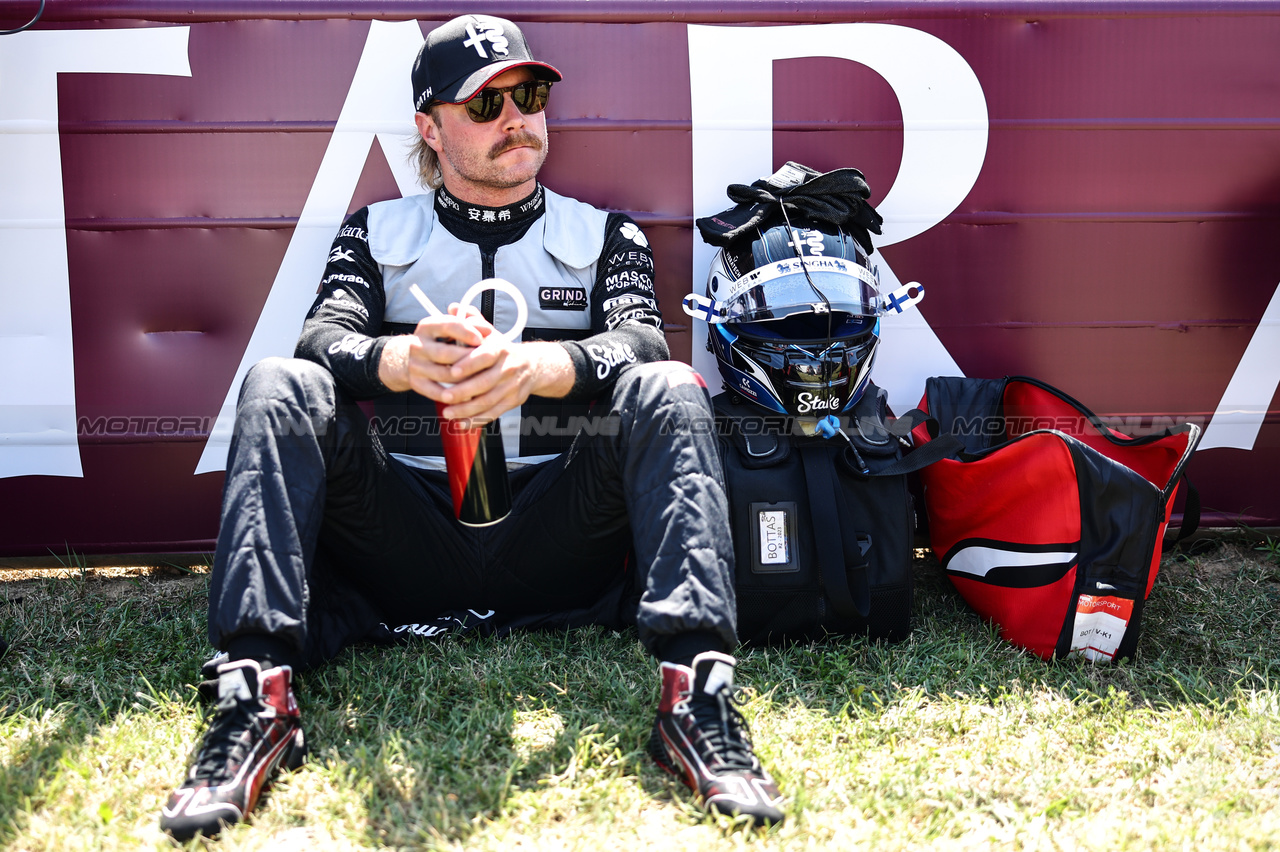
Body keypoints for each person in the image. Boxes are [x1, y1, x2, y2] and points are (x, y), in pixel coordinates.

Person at [159, 14, 784, 840]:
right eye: (484, 105)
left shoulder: (604, 233)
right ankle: (254, 701)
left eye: (527, 96)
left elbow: (639, 341)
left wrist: (534, 370)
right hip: (409, 539)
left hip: (556, 535)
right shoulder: (377, 231)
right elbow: (321, 338)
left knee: (670, 385)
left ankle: (697, 701)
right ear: (429, 127)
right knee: (279, 382)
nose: (515, 118)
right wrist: (402, 364)